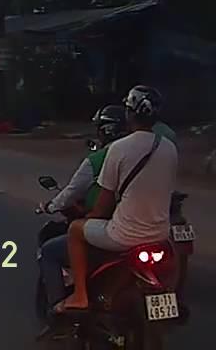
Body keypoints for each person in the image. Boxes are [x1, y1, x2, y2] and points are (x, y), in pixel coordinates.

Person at [56, 85, 178, 313]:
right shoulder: (169, 148)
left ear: (129, 114)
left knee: (75, 230)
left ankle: (80, 295)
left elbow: (103, 204)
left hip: (123, 234)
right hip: (161, 235)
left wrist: (89, 217)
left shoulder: (119, 149)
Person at [37, 105, 129, 316]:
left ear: (104, 130)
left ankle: (64, 306)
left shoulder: (100, 160)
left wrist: (51, 206)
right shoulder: (153, 151)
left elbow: (73, 193)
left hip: (116, 229)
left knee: (51, 250)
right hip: (153, 229)